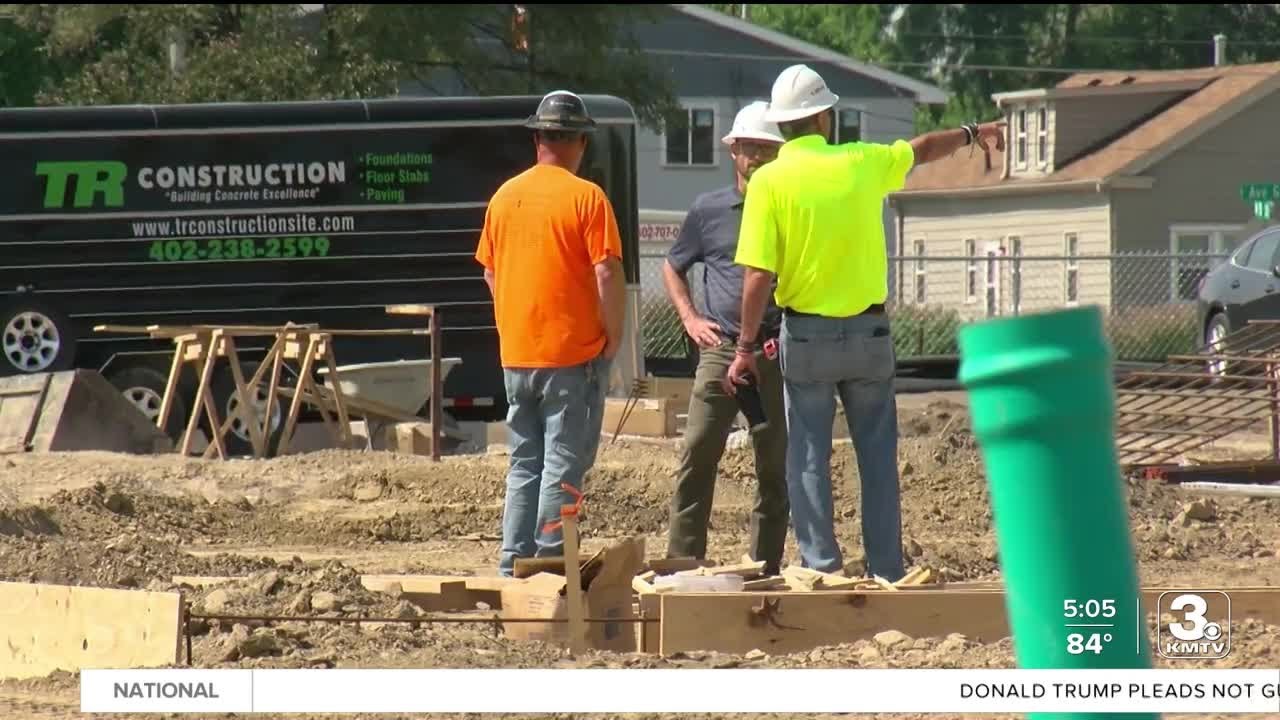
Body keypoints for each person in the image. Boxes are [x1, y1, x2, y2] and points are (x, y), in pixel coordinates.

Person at [725, 64, 1006, 582]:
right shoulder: (861, 162)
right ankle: (886, 569)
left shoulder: (768, 181)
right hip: (869, 335)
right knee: (876, 456)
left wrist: (744, 347)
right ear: (825, 117)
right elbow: (921, 149)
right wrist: (972, 133)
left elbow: (758, 274)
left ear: (782, 124)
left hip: (806, 336)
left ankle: (821, 567)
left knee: (807, 456)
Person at [475, 90, 626, 577]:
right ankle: (545, 567)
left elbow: (490, 273)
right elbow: (606, 272)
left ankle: (511, 565)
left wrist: (514, 323)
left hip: (517, 357)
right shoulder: (587, 198)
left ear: (538, 138)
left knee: (524, 465)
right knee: (563, 466)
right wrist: (612, 337)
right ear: (580, 142)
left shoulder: (504, 197)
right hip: (571, 358)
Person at [662, 101, 789, 576]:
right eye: (750, 148)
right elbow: (673, 267)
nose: (757, 157)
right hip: (720, 351)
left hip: (774, 351)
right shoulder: (708, 210)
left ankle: (765, 566)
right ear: (733, 151)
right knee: (697, 453)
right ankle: (683, 563)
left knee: (774, 466)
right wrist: (691, 317)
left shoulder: (788, 206)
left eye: (767, 149)